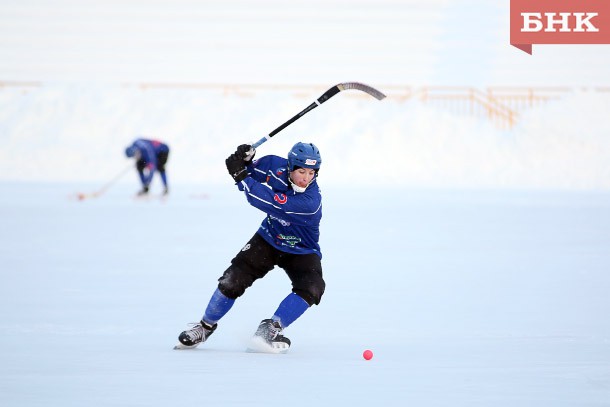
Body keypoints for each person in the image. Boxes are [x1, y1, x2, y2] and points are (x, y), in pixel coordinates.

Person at [176, 142, 325, 353]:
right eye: (301, 171)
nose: (306, 178)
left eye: (312, 172)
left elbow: (264, 200)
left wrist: (240, 176)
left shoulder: (310, 202)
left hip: (300, 248)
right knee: (232, 281)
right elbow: (251, 172)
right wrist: (244, 161)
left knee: (313, 287)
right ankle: (204, 327)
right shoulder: (275, 166)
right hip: (268, 238)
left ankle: (271, 328)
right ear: (290, 167)